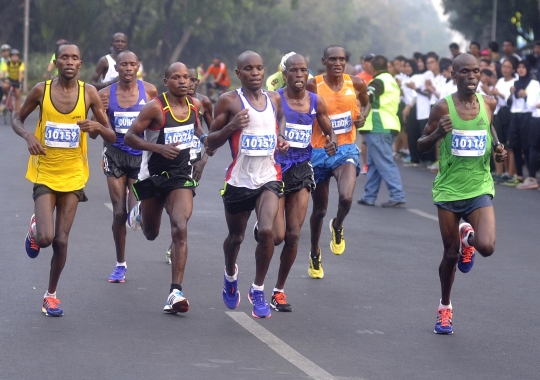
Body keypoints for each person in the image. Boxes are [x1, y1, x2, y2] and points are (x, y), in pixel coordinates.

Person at [12, 43, 116, 317]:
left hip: (74, 175)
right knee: (46, 238)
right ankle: (35, 230)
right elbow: (16, 118)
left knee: (61, 240)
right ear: (56, 62)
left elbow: (110, 135)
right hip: (45, 171)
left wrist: (96, 126)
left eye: (74, 58)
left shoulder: (89, 92)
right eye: (64, 58)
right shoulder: (41, 90)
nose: (69, 62)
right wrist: (29, 136)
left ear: (80, 64)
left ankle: (51, 296)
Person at [417, 53, 507, 334]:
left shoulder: (489, 102)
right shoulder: (442, 107)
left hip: (479, 185)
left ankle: (469, 237)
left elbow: (489, 126)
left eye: (476, 71)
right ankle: (445, 308)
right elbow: (419, 145)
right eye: (465, 72)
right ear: (453, 75)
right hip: (448, 188)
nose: (472, 76)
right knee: (450, 254)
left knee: (487, 247)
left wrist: (497, 147)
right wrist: (435, 136)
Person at [207, 51, 289, 319]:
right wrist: (232, 126)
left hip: (269, 177)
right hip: (238, 181)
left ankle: (258, 289)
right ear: (238, 73)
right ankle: (230, 274)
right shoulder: (229, 101)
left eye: (259, 68)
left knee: (267, 232)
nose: (255, 73)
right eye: (249, 69)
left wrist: (282, 139)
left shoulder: (274, 98)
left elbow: (279, 122)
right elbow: (211, 141)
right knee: (236, 237)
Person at [124, 62, 210, 314]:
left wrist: (204, 140)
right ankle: (140, 211)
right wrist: (159, 148)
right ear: (166, 81)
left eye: (186, 77)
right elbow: (130, 136)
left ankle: (175, 292)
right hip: (153, 175)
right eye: (176, 77)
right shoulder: (155, 108)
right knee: (150, 233)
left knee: (180, 227)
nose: (183, 81)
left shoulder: (195, 105)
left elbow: (195, 127)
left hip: (181, 175)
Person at [253, 53, 336, 309]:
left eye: (303, 71)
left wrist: (331, 140)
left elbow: (327, 127)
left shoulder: (315, 101)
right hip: (276, 169)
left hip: (301, 170)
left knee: (293, 234)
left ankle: (278, 291)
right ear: (284, 74)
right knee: (275, 236)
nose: (299, 76)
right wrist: (276, 138)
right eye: (294, 71)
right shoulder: (275, 99)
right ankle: (262, 230)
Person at [305, 45, 369, 275]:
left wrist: (363, 116)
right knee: (319, 210)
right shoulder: (314, 85)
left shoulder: (356, 83)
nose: (337, 63)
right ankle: (314, 253)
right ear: (324, 61)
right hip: (319, 152)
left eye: (341, 59)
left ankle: (338, 225)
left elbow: (367, 101)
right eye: (332, 59)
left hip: (345, 149)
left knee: (346, 197)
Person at [98, 50, 158, 282]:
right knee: (119, 212)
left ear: (138, 66)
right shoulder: (104, 94)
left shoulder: (150, 91)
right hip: (114, 155)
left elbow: (157, 122)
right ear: (118, 67)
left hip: (140, 157)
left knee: (136, 215)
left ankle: (141, 211)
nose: (128, 68)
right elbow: (98, 131)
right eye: (124, 64)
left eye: (132, 64)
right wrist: (101, 113)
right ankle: (120, 264)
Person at [165, 67, 214, 265]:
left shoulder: (203, 103)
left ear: (198, 82)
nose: (190, 84)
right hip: (169, 158)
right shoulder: (167, 102)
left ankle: (174, 244)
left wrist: (203, 161)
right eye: (187, 79)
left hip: (192, 161)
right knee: (169, 206)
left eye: (193, 80)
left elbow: (213, 136)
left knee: (183, 207)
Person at [357, 55, 406, 207]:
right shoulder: (392, 81)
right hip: (389, 124)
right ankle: (369, 196)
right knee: (374, 162)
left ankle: (397, 194)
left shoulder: (377, 81)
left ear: (372, 67)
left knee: (384, 162)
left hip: (378, 126)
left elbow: (368, 97)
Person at [507, 60, 540, 188]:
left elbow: (533, 101)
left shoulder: (533, 83)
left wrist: (525, 96)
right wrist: (511, 93)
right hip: (515, 115)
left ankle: (530, 176)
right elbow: (510, 103)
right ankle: (519, 175)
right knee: (515, 145)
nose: (521, 70)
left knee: (527, 146)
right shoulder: (515, 83)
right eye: (519, 67)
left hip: (528, 115)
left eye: (523, 67)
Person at [491, 57, 518, 182]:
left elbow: (510, 99)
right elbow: (496, 99)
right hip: (500, 111)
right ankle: (499, 172)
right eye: (503, 67)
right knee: (498, 143)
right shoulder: (500, 81)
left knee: (509, 144)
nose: (505, 69)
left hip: (510, 112)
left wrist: (499, 94)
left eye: (508, 67)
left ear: (513, 69)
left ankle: (510, 172)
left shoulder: (516, 80)